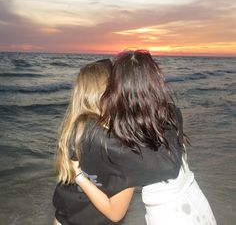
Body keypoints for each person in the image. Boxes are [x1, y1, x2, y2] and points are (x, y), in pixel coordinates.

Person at [71, 50, 217, 225]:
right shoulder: (170, 113)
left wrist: (77, 172)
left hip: (169, 215)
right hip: (197, 200)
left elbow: (168, 167)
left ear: (118, 90)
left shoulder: (121, 139)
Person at [53, 57, 182, 225]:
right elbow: (115, 213)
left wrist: (78, 176)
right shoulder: (121, 143)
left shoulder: (75, 131)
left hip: (63, 218)